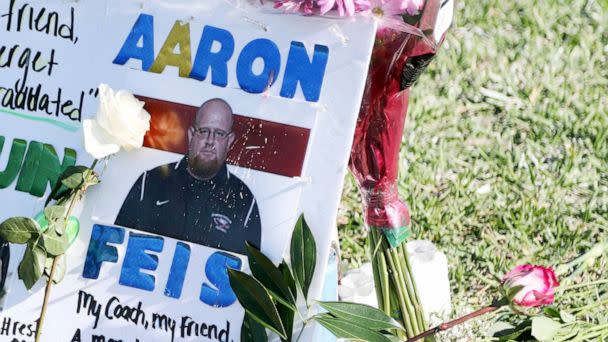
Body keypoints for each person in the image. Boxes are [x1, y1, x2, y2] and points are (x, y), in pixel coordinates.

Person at [115, 98, 261, 255]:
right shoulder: (150, 182)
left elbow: (248, 273)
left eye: (219, 134)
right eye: (204, 131)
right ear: (191, 134)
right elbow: (114, 245)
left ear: (229, 141)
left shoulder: (244, 202)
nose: (210, 141)